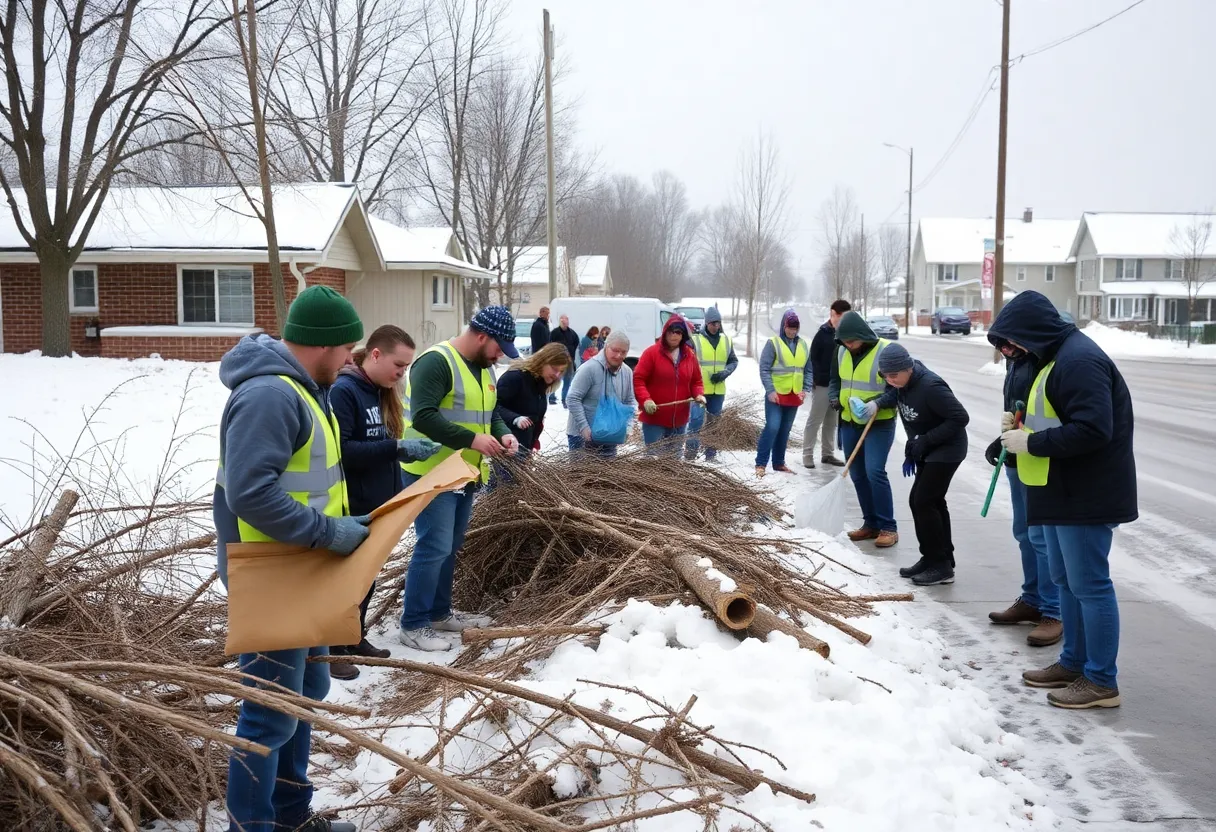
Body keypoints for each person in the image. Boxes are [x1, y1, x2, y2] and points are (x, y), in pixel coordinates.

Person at [213, 285, 365, 832]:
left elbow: (309, 480)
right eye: (346, 348)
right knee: (269, 713)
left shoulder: (305, 389)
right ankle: (253, 826)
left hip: (303, 567)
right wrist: (328, 531)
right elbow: (251, 494)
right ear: (322, 344)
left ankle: (290, 817)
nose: (350, 359)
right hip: (271, 574)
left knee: (306, 694)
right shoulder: (270, 396)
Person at [990, 290, 1136, 710]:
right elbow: (1055, 415)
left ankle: (1101, 681)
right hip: (1058, 489)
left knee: (1089, 584)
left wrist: (1031, 443)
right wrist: (1018, 431)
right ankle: (1073, 664)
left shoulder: (1079, 360)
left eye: (1012, 340)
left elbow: (1093, 429)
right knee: (1066, 581)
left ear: (1032, 330)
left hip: (1086, 493)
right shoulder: (1051, 357)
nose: (1009, 350)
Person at [398, 306, 521, 652]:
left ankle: (438, 613)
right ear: (482, 336)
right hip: (433, 471)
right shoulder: (436, 362)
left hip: (465, 472)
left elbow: (490, 413)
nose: (500, 356)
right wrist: (472, 440)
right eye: (498, 348)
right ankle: (414, 623)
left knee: (449, 546)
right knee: (433, 546)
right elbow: (423, 416)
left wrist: (502, 432)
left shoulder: (484, 368)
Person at [330, 325, 440, 672]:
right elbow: (343, 451)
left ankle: (354, 637)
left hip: (379, 502)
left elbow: (378, 446)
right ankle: (333, 650)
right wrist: (395, 448)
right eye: (399, 365)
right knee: (348, 580)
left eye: (406, 366)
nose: (402, 373)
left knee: (368, 578)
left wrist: (399, 454)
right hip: (355, 504)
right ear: (375, 355)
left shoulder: (379, 391)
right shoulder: (345, 391)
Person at [984, 343, 1062, 648]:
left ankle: (1054, 611)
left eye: (1007, 343)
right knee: (1025, 534)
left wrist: (1028, 437)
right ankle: (1032, 600)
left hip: (1042, 457)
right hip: (1018, 454)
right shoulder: (1015, 360)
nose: (1004, 349)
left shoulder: (1048, 358)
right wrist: (1004, 436)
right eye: (999, 346)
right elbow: (1021, 407)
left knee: (1042, 539)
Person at [879, 343, 969, 586]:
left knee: (924, 501)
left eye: (893, 375)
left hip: (947, 449)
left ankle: (940, 565)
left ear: (908, 368)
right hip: (927, 448)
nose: (890, 380)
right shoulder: (902, 384)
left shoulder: (931, 386)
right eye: (885, 376)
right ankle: (935, 558)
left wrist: (926, 440)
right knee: (928, 501)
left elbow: (960, 417)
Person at [829, 311, 899, 548]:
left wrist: (877, 404)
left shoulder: (885, 351)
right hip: (849, 421)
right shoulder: (841, 351)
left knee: (874, 471)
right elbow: (835, 380)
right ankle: (871, 524)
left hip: (879, 422)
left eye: (852, 341)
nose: (848, 346)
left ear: (863, 335)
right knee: (857, 473)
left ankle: (889, 527)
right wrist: (834, 398)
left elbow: (898, 388)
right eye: (844, 342)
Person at [634, 314, 706, 454]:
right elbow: (638, 379)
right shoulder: (651, 353)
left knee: (674, 461)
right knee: (653, 459)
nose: (674, 335)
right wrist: (646, 400)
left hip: (679, 421)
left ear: (683, 335)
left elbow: (696, 381)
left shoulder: (690, 356)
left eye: (678, 332)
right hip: (655, 420)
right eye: (671, 331)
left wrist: (698, 394)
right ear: (665, 332)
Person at [755, 309, 813, 476]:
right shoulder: (773, 343)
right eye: (789, 328)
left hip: (794, 395)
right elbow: (764, 368)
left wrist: (805, 389)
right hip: (776, 395)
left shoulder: (803, 345)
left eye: (795, 328)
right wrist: (770, 390)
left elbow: (808, 370)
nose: (792, 331)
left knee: (785, 429)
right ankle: (761, 463)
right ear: (783, 326)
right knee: (773, 427)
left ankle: (779, 463)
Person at [567, 330, 637, 458]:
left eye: (623, 352)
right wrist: (584, 427)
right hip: (583, 436)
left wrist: (628, 426)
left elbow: (630, 401)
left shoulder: (627, 372)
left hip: (610, 435)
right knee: (582, 471)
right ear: (606, 346)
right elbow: (572, 398)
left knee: (607, 471)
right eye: (615, 350)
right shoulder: (589, 368)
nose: (619, 355)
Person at [495, 342, 570, 454]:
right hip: (505, 448)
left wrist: (534, 443)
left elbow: (536, 418)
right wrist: (515, 418)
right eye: (554, 369)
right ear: (542, 361)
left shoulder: (540, 385)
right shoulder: (514, 378)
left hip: (524, 449)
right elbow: (494, 408)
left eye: (561, 371)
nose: (557, 375)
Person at [685, 306, 737, 462]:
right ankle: (690, 455)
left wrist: (725, 372)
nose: (716, 326)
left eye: (718, 323)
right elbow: (686, 361)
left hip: (718, 390)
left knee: (714, 424)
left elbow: (733, 361)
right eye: (713, 323)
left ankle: (711, 455)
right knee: (695, 422)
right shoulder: (695, 340)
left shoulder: (726, 340)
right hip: (699, 390)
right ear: (707, 323)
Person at [803, 300, 850, 468]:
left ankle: (827, 454)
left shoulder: (846, 334)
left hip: (839, 385)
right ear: (833, 314)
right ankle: (807, 454)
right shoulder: (822, 334)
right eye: (841, 317)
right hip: (822, 384)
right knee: (815, 420)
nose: (843, 321)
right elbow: (812, 359)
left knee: (831, 422)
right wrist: (816, 379)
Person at [549, 314, 580, 408]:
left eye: (565, 321)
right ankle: (551, 397)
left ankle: (564, 399)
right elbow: (550, 345)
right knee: (555, 378)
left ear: (568, 322)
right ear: (560, 322)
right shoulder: (554, 332)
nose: (564, 323)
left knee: (568, 380)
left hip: (569, 360)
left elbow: (576, 342)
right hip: (558, 360)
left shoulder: (572, 333)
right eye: (562, 321)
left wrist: (571, 354)